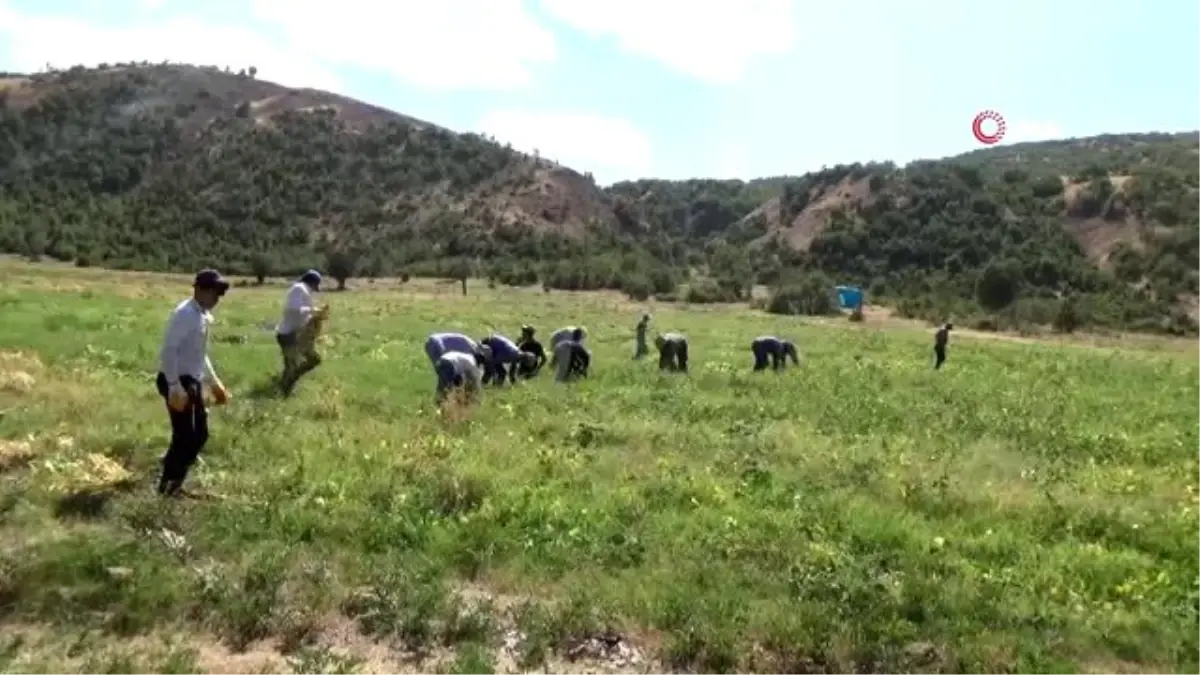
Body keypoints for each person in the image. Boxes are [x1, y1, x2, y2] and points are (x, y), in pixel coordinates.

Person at [155, 269, 231, 498]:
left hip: (190, 380)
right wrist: (174, 386)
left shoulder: (201, 315)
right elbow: (169, 350)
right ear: (198, 289)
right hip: (177, 380)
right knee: (189, 436)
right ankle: (169, 487)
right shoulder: (185, 314)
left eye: (219, 293)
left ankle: (172, 479)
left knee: (195, 434)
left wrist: (214, 383)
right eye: (212, 292)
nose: (216, 298)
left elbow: (199, 355)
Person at [276, 269, 327, 395]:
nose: (315, 290)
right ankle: (284, 391)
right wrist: (314, 310)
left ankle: (287, 383)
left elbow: (301, 314)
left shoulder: (304, 291)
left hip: (296, 335)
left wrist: (316, 316)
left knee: (312, 360)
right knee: (292, 366)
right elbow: (294, 309)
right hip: (288, 334)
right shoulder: (299, 288)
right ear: (312, 283)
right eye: (315, 286)